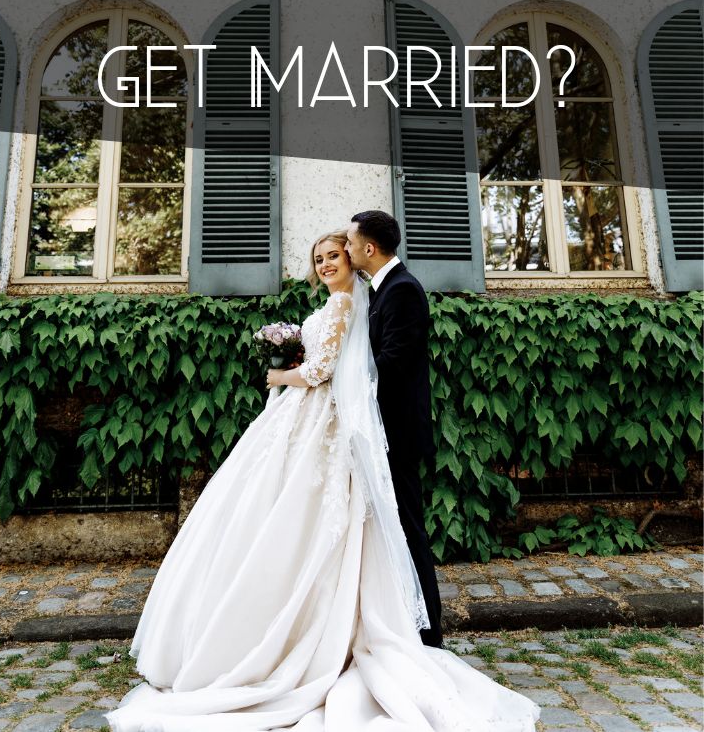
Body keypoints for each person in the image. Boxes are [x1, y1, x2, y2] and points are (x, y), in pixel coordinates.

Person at [107, 230, 539, 732]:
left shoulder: (348, 303)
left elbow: (324, 370)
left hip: (320, 420)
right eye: (320, 258)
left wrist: (280, 376)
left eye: (335, 254)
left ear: (356, 256)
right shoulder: (350, 300)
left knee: (305, 519)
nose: (328, 263)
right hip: (308, 422)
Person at [345, 209, 443, 647]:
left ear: (369, 248)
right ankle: (401, 625)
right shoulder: (380, 290)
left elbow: (393, 363)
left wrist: (342, 385)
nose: (346, 250)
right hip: (380, 430)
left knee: (408, 528)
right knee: (392, 528)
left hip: (397, 434)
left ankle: (430, 634)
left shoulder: (403, 291)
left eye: (349, 243)